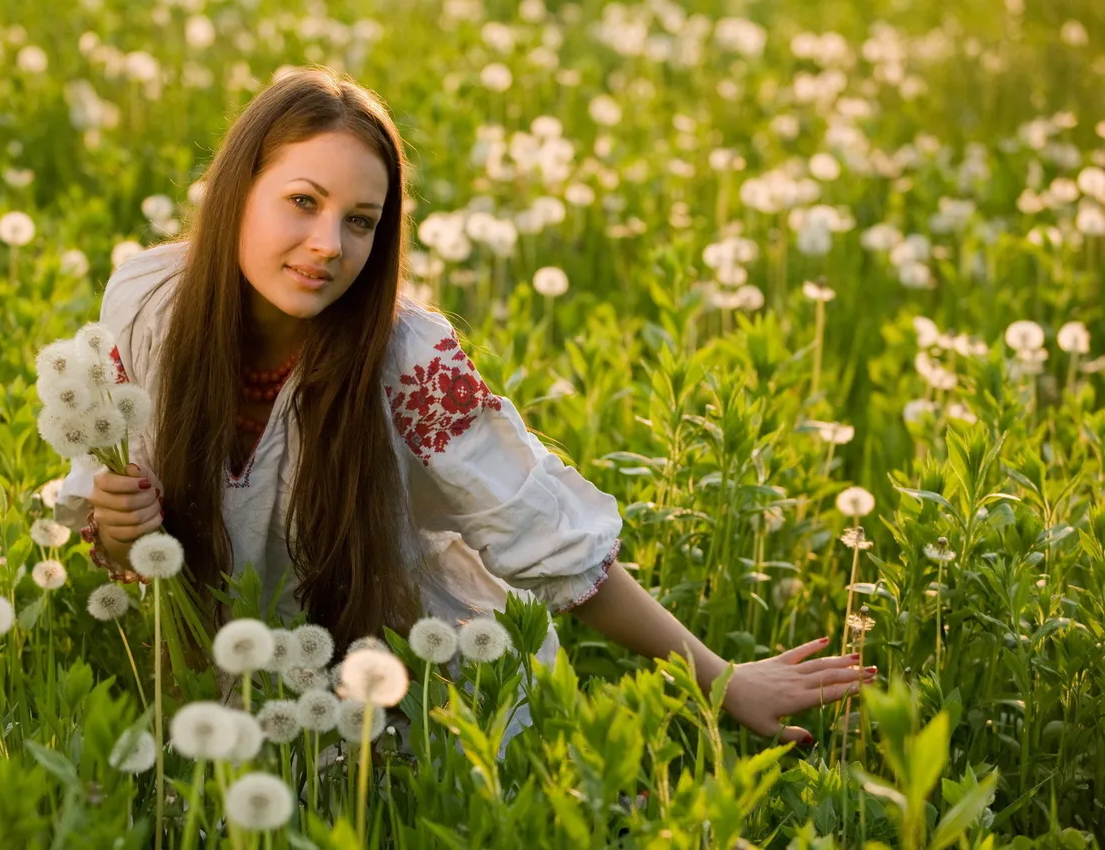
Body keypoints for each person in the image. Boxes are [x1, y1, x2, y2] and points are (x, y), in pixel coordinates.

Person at [55, 66, 872, 753]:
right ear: (238, 190)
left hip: (433, 689)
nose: (330, 245)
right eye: (302, 201)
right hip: (239, 694)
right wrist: (119, 530)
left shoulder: (407, 359)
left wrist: (724, 680)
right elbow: (116, 497)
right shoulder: (145, 300)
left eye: (361, 222)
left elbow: (552, 543)